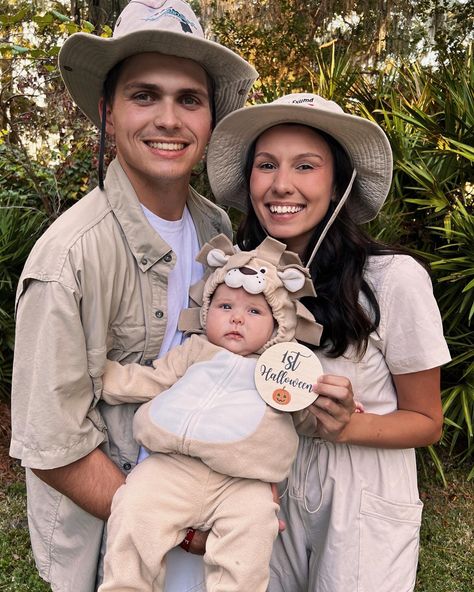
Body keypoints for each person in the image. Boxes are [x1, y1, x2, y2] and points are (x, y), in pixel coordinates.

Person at [9, 2, 257, 591]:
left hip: (218, 526)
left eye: (188, 99)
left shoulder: (216, 228)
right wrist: (178, 528)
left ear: (210, 118)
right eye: (145, 95)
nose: (169, 119)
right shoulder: (68, 259)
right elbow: (54, 445)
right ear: (108, 113)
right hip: (119, 543)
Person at [205, 93, 451, 592]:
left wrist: (348, 426)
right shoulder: (238, 281)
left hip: (363, 490)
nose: (281, 185)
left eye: (306, 166)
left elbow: (427, 422)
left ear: (338, 182)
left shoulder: (393, 280)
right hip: (266, 482)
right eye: (266, 164)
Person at [95, 234, 323, 592]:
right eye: (225, 307)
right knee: (134, 510)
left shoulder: (279, 369)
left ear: (278, 324)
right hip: (171, 467)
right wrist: (99, 374)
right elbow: (152, 380)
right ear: (206, 311)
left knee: (253, 530)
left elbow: (306, 416)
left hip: (243, 481)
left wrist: (324, 403)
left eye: (253, 311)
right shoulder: (195, 351)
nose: (237, 319)